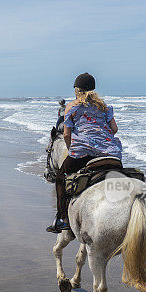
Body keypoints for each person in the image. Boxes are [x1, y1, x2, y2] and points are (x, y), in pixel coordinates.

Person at [46, 73, 122, 233]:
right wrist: (102, 139)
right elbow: (114, 129)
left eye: (75, 89)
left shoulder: (72, 106)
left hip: (83, 153)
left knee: (60, 178)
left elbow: (66, 134)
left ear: (78, 90)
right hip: (110, 153)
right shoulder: (105, 107)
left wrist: (71, 148)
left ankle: (62, 219)